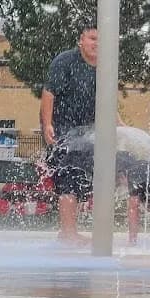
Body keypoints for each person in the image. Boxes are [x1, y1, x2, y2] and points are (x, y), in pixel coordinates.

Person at [40, 20, 99, 245]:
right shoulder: (65, 61)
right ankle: (67, 232)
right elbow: (49, 92)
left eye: (101, 40)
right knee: (69, 176)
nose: (97, 44)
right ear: (81, 40)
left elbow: (108, 98)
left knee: (86, 177)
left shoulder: (104, 65)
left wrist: (120, 124)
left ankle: (69, 230)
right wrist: (47, 124)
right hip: (61, 128)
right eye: (93, 38)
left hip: (86, 131)